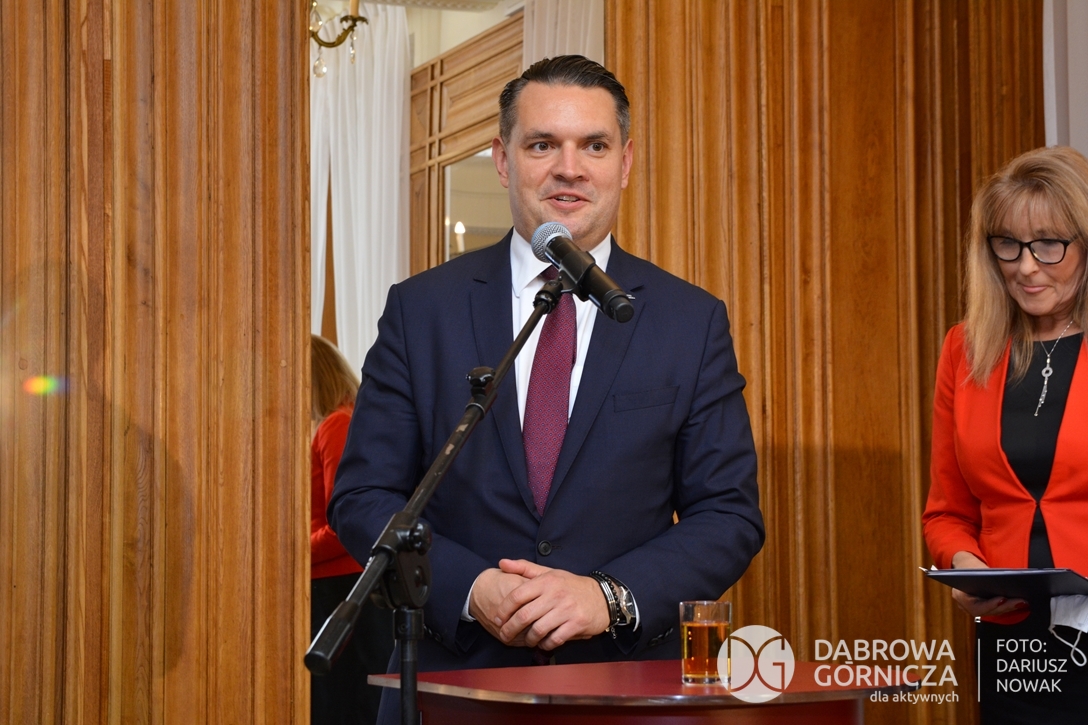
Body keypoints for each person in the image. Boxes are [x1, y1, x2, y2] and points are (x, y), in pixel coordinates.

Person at [329, 55, 764, 722]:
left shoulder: (689, 320)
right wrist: (473, 587)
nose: (569, 168)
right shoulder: (422, 310)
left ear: (625, 162)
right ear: (503, 160)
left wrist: (606, 596)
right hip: (451, 688)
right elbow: (364, 496)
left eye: (594, 145)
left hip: (625, 690)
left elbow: (728, 514)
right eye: (542, 145)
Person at [922, 146, 1088, 724]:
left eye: (1049, 244)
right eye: (1008, 245)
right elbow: (946, 512)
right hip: (1015, 644)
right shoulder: (964, 350)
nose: (1025, 266)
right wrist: (965, 566)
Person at [310, 334, 394, 725]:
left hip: (339, 581)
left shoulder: (337, 424)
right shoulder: (339, 421)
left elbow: (344, 523)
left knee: (343, 701)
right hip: (336, 579)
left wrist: (293, 552)